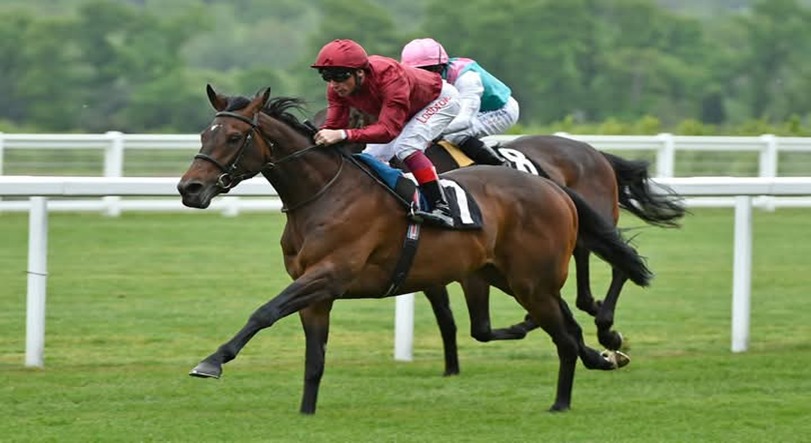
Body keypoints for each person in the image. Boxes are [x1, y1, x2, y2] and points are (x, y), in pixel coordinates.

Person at [311, 39, 461, 228]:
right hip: (409, 106)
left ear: (360, 72)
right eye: (327, 77)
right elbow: (333, 126)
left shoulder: (390, 76)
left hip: (440, 99)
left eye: (340, 76)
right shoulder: (337, 89)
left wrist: (343, 135)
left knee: (406, 147)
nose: (334, 84)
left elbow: (389, 131)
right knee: (369, 157)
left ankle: (441, 206)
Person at [400, 38, 519, 166]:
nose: (421, 76)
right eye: (415, 71)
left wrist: (429, 133)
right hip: (465, 109)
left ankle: (501, 166)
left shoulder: (467, 78)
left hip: (500, 110)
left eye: (426, 69)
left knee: (456, 135)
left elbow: (465, 121)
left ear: (440, 66)